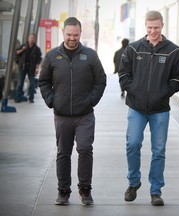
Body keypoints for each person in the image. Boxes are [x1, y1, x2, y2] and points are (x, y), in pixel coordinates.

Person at [38, 17, 106, 206]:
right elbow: (43, 81)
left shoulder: (90, 56)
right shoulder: (52, 56)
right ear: (63, 33)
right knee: (63, 153)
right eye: (69, 34)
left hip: (84, 114)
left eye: (75, 35)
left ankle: (85, 190)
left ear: (80, 33)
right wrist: (52, 102)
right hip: (62, 116)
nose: (72, 38)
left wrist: (91, 101)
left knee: (85, 148)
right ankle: (63, 191)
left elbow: (101, 80)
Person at [119, 10, 179, 206]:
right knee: (133, 144)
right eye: (149, 28)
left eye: (156, 28)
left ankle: (156, 191)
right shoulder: (134, 48)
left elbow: (178, 78)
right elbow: (123, 75)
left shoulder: (173, 50)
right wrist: (135, 91)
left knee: (159, 150)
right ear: (145, 26)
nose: (153, 31)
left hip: (160, 109)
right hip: (136, 108)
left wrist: (163, 93)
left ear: (162, 25)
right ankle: (133, 183)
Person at [14, 33, 42, 103]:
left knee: (32, 83)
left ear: (35, 39)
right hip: (23, 67)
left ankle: (31, 98)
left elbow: (38, 60)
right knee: (20, 82)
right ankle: (17, 97)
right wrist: (22, 50)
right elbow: (16, 53)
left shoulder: (37, 49)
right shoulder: (23, 46)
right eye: (30, 37)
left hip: (31, 68)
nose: (31, 39)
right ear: (28, 38)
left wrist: (37, 68)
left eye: (33, 38)